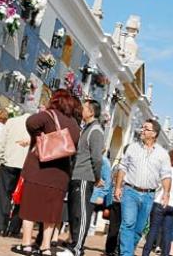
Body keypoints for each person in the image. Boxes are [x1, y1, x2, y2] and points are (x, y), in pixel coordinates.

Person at [11, 89, 80, 256]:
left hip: (39, 170)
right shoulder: (74, 124)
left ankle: (26, 244)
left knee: (30, 207)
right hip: (60, 174)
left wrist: (39, 135)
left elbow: (31, 121)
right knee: (51, 213)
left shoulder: (49, 115)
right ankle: (46, 247)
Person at [114, 119, 172, 256]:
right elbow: (122, 168)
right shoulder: (133, 148)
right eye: (142, 127)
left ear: (154, 133)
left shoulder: (163, 154)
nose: (142, 130)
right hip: (130, 191)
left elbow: (166, 175)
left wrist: (166, 193)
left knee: (139, 229)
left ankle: (128, 250)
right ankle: (126, 254)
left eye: (146, 129)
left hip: (148, 195)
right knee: (128, 224)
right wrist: (118, 187)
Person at [58, 99, 105, 256]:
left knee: (82, 213)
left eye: (84, 108)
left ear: (91, 112)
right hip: (77, 176)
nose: (81, 110)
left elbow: (97, 158)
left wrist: (97, 178)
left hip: (85, 177)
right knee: (74, 213)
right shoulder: (86, 128)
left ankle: (77, 248)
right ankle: (73, 244)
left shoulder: (96, 130)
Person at [142, 149, 173, 256]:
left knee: (153, 230)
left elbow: (157, 184)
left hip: (160, 202)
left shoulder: (167, 170)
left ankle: (146, 253)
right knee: (168, 233)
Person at [0, 110, 31, 237]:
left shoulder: (11, 122)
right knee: (23, 196)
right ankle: (14, 227)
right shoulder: (36, 125)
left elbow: (2, 142)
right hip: (26, 165)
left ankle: (1, 226)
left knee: (4, 194)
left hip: (9, 161)